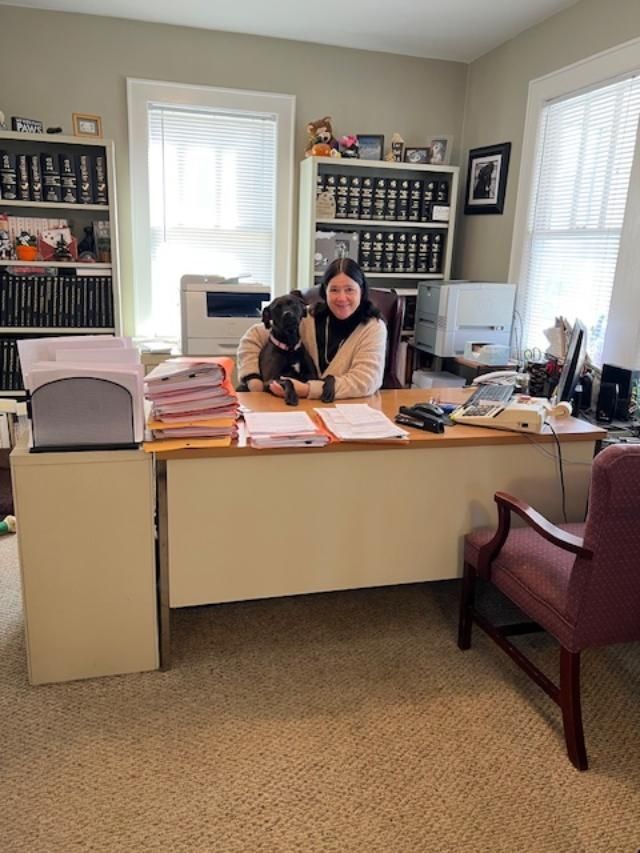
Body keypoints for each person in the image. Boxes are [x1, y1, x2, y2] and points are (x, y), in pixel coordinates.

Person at [237, 257, 387, 399]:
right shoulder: (307, 316)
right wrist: (253, 379)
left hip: (349, 407)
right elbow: (254, 336)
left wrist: (308, 390)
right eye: (334, 290)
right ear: (325, 292)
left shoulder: (373, 328)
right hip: (299, 408)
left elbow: (365, 381)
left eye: (349, 289)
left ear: (361, 290)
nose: (341, 298)